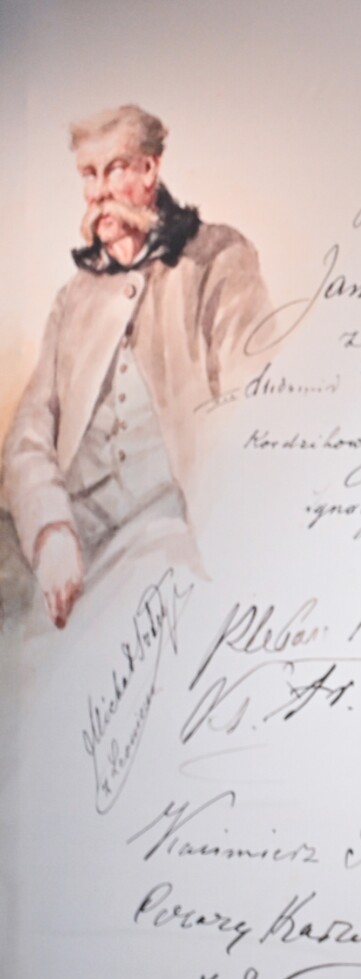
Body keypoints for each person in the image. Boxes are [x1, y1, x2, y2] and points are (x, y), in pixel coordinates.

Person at [1, 104, 272, 628]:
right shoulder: (74, 298)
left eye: (115, 169)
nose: (98, 192)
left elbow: (253, 420)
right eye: (89, 174)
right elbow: (27, 437)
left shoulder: (220, 260)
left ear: (151, 170)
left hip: (170, 545)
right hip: (70, 548)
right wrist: (51, 532)